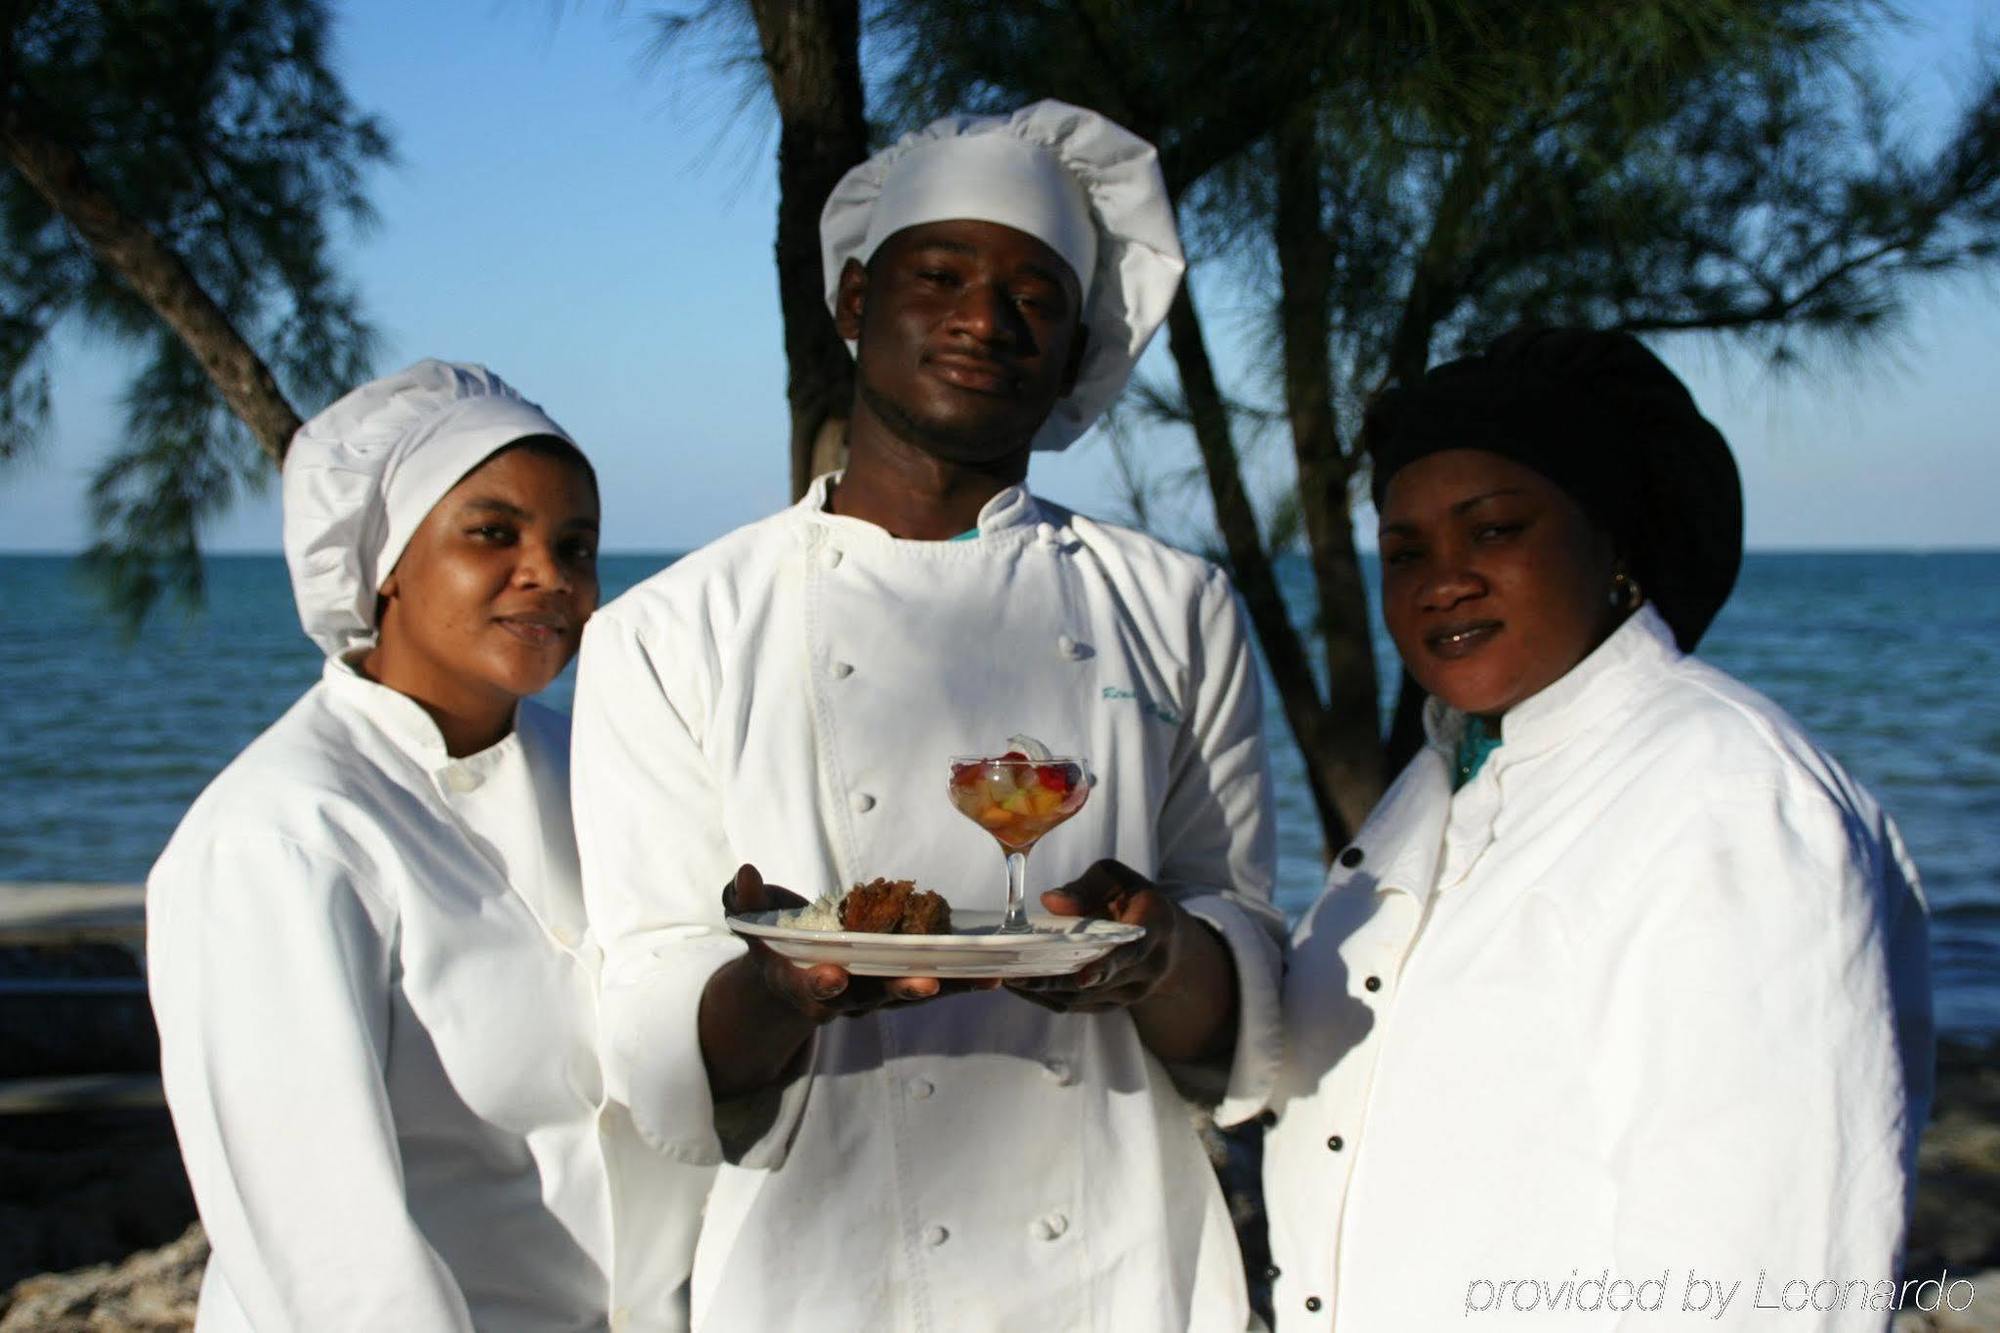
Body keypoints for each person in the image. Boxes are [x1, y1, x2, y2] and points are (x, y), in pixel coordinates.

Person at [570, 102, 1285, 1330]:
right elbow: (641, 1008)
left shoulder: (1173, 605)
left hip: (1116, 1265)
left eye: (1035, 296)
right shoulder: (671, 629)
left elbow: (1245, 955)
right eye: (939, 274)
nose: (982, 319)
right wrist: (784, 987)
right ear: (854, 302)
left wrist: (1164, 954)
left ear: (1074, 348)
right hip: (821, 1267)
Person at [1256, 328, 1933, 1329]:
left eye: (1492, 530)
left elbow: (1762, 1269)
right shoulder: (1444, 781)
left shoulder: (1724, 798)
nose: (1443, 578)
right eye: (1404, 552)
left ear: (1610, 542)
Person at [148, 361, 708, 1332]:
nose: (550, 574)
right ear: (384, 563)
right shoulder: (283, 836)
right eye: (493, 532)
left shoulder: (598, 773)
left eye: (575, 546)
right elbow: (321, 1242)